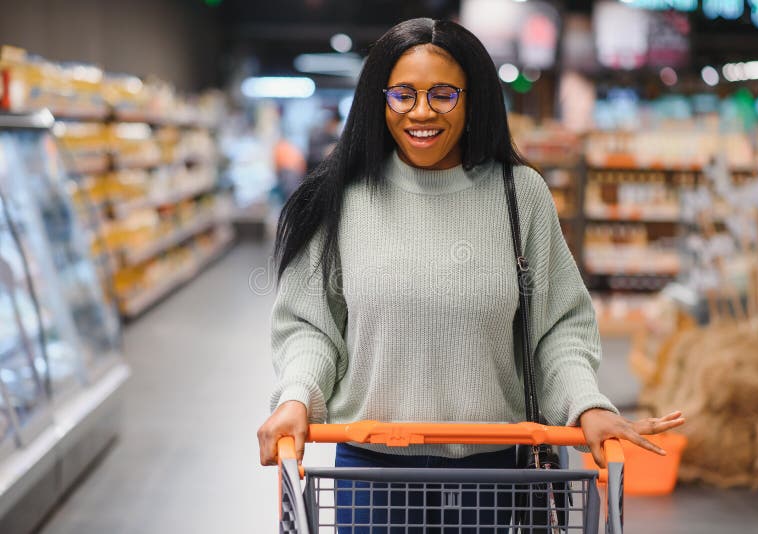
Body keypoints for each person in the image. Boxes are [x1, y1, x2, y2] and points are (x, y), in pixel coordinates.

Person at [258, 17, 684, 530]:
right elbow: (311, 327)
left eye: (443, 95)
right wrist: (297, 396)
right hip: (371, 473)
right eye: (403, 95)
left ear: (473, 98)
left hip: (500, 474)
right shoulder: (339, 199)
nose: (421, 112)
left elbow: (557, 329)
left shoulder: (519, 195)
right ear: (379, 99)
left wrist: (586, 405)